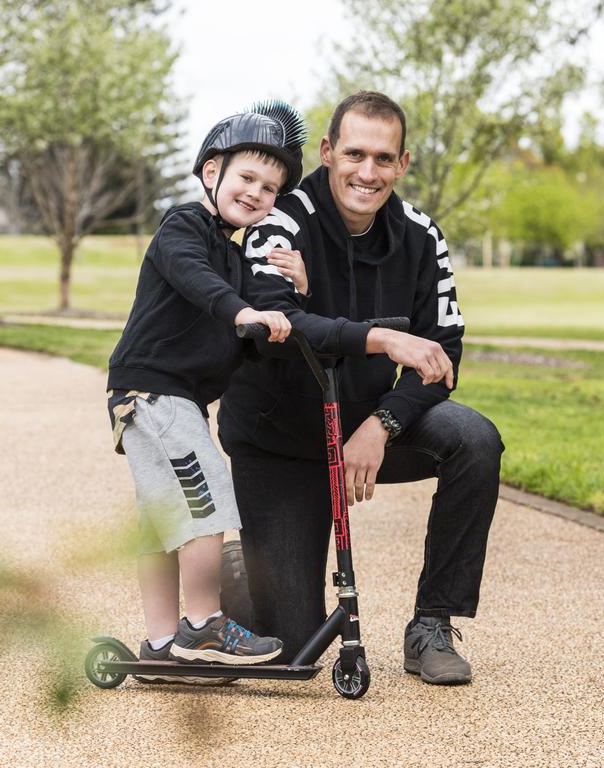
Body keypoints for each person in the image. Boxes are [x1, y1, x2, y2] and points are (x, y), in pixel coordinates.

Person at [218, 91, 504, 685]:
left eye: (383, 158)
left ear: (402, 164)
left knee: (474, 440)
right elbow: (273, 324)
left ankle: (431, 623)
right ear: (326, 152)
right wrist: (383, 339)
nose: (367, 172)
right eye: (354, 154)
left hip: (368, 424)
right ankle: (241, 569)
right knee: (295, 646)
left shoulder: (424, 236)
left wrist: (383, 425)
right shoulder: (280, 219)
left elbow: (442, 354)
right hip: (281, 438)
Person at [107, 102, 312, 682]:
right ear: (211, 171)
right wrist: (241, 306)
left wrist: (297, 290)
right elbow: (197, 281)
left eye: (270, 189)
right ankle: (203, 625)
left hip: (154, 398)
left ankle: (161, 644)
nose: (257, 193)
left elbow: (254, 335)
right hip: (156, 392)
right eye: (247, 177)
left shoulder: (235, 253)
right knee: (207, 496)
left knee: (162, 520)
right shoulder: (184, 226)